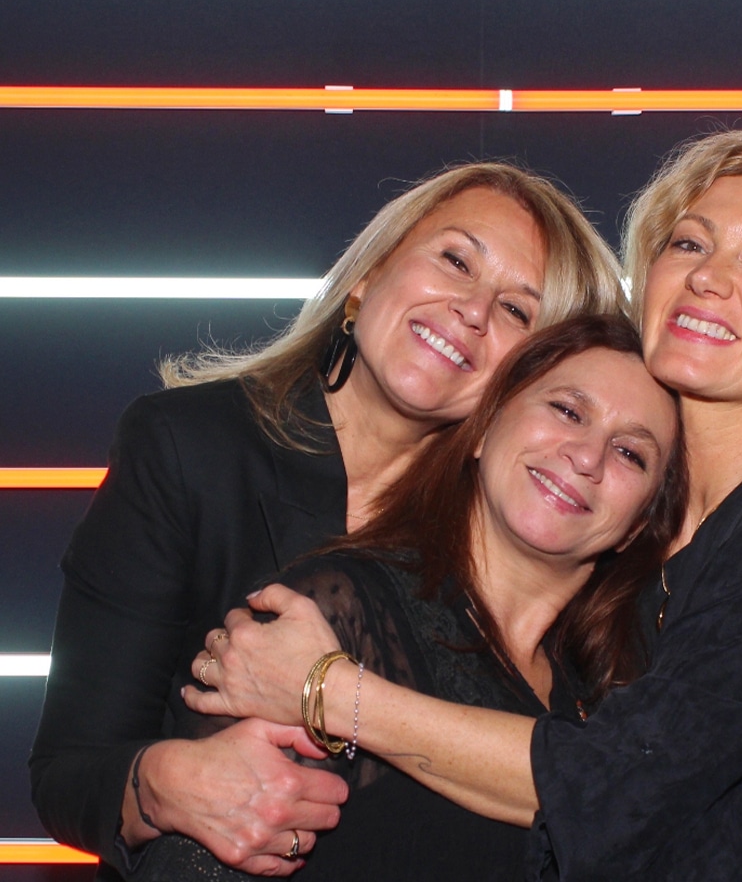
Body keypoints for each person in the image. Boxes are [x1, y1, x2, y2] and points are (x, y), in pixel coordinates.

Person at [191, 130, 742, 881]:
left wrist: (331, 690)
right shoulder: (631, 559)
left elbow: (621, 784)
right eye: (689, 243)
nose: (708, 277)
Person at [29, 162, 627, 881]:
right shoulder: (188, 447)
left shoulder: (521, 535)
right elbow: (67, 771)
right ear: (368, 275)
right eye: (455, 261)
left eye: (517, 311)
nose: (472, 310)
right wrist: (164, 783)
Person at [130, 314, 686, 881]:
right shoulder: (331, 618)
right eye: (567, 411)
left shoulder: (608, 701)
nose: (587, 456)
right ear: (485, 426)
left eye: (630, 454)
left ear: (640, 526)